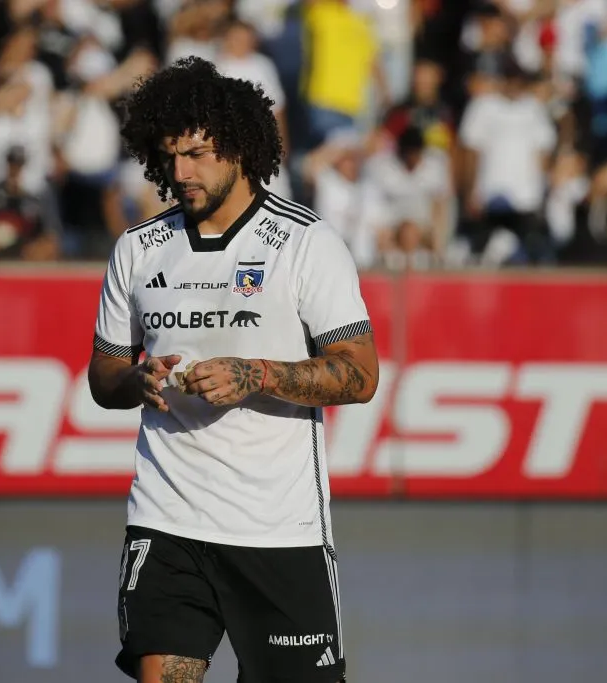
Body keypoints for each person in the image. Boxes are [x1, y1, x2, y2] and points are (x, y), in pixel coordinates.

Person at [87, 56, 378, 683]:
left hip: (279, 529)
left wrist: (256, 375)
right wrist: (134, 381)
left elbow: (359, 374)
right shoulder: (137, 250)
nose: (180, 172)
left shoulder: (305, 243)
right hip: (167, 519)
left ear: (241, 147)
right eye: (169, 156)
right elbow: (104, 374)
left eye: (197, 153)